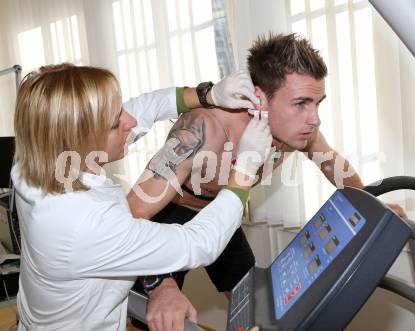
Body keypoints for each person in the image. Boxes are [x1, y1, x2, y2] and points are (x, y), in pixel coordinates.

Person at [127, 32, 407, 329]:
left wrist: (369, 203)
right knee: (155, 317)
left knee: (258, 305)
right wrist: (161, 285)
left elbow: (332, 164)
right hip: (166, 215)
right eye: (300, 103)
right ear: (259, 98)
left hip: (223, 210)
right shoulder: (204, 129)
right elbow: (131, 217)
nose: (314, 119)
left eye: (317, 103)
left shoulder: (299, 131)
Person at [12, 63, 273, 330]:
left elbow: (144, 107)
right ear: (80, 138)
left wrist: (209, 95)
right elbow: (197, 245)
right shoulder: (86, 223)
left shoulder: (32, 162)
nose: (131, 121)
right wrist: (244, 169)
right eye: (116, 123)